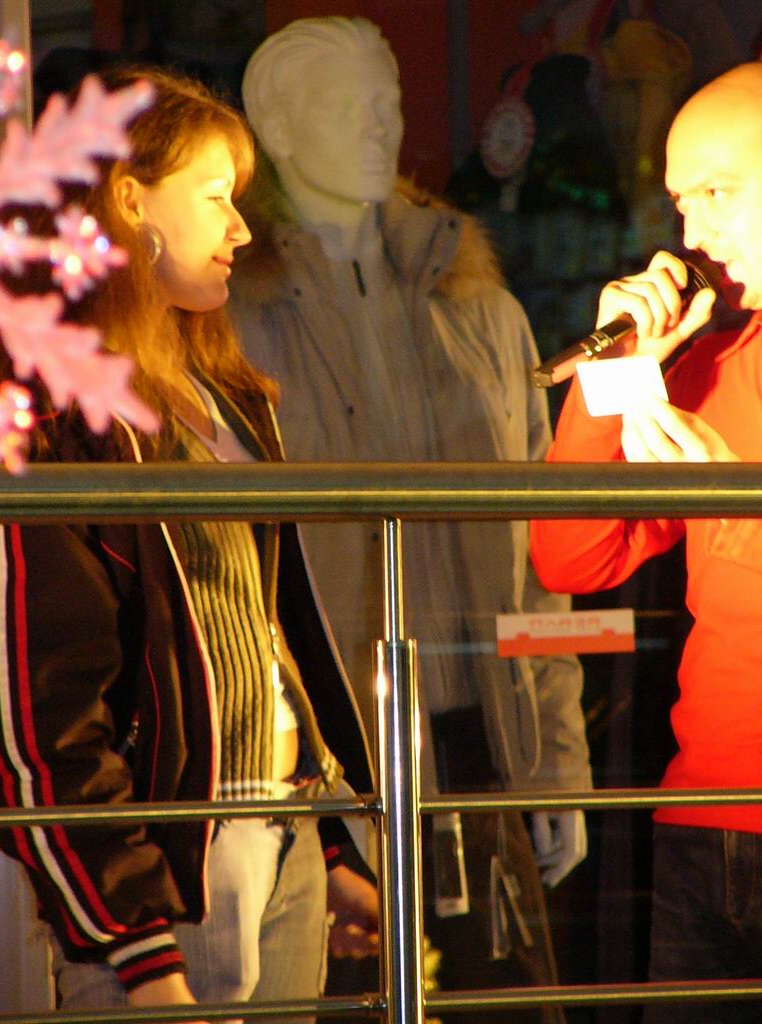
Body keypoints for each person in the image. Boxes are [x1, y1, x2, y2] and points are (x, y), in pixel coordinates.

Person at [0, 66, 377, 1021]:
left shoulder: (227, 396)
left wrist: (329, 837)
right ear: (129, 203)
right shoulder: (47, 413)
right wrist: (128, 934)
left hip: (282, 825)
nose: (241, 229)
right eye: (215, 197)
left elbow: (267, 630)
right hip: (166, 860)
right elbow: (38, 703)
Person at [230, 17, 591, 1015]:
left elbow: (540, 554)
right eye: (347, 103)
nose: (379, 122)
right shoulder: (233, 320)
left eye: (387, 98)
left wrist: (557, 758)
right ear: (279, 127)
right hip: (324, 760)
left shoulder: (481, 310)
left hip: (481, 743)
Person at [530, 61, 762, 1024]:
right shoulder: (722, 364)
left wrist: (739, 499)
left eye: (718, 193)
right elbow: (574, 559)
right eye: (680, 202)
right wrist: (620, 373)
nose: (694, 234)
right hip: (703, 815)